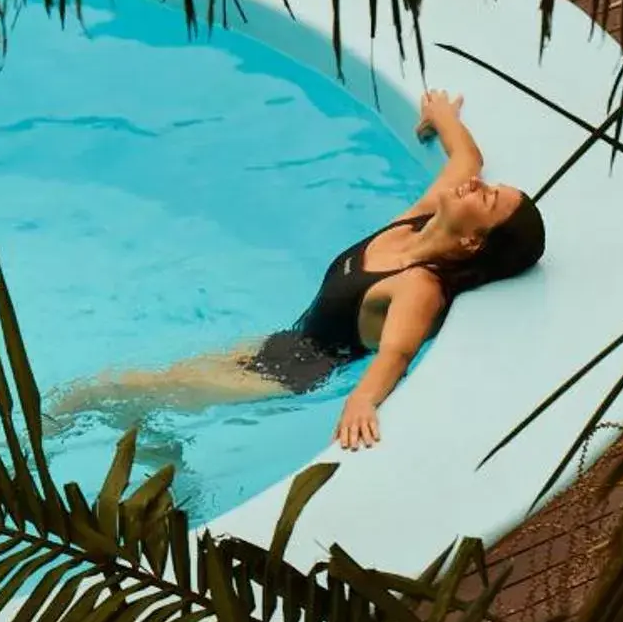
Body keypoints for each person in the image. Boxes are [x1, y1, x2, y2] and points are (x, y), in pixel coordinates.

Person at [48, 89, 546, 451]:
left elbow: (398, 351)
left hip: (292, 378)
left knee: (105, 390)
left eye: (488, 198)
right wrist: (442, 115)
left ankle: (34, 441)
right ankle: (164, 462)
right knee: (141, 397)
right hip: (278, 342)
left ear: (472, 241)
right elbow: (468, 157)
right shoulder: (419, 221)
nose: (478, 185)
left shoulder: (417, 285)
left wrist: (362, 403)